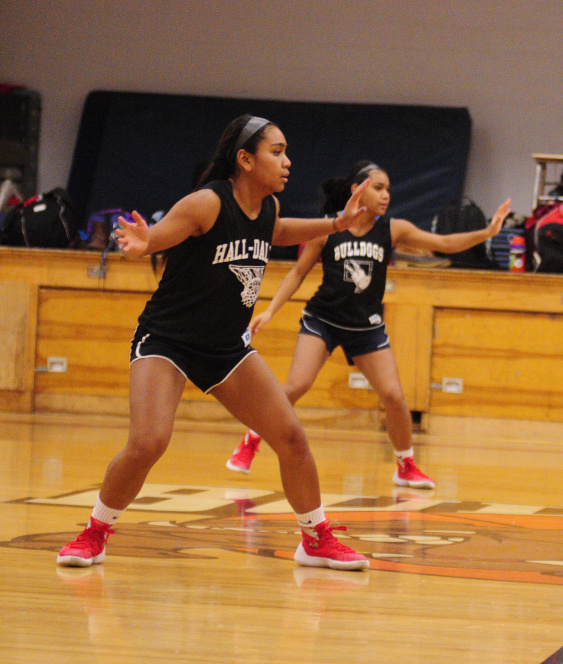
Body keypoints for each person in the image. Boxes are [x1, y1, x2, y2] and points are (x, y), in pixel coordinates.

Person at [57, 115, 374, 571]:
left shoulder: (268, 209)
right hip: (169, 339)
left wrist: (336, 223)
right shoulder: (207, 203)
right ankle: (94, 533)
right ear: (245, 159)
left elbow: (278, 234)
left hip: (226, 347)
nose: (288, 162)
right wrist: (144, 241)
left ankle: (316, 539)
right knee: (148, 442)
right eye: (277, 151)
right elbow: (160, 237)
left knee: (291, 438)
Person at [226, 161, 510, 489]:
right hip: (324, 320)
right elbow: (297, 273)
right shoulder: (327, 227)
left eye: (388, 189)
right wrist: (270, 311)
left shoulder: (393, 229)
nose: (386, 195)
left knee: (394, 396)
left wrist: (487, 232)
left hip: (366, 326)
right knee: (295, 386)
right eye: (378, 188)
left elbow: (442, 244)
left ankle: (405, 466)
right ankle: (250, 441)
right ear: (357, 190)